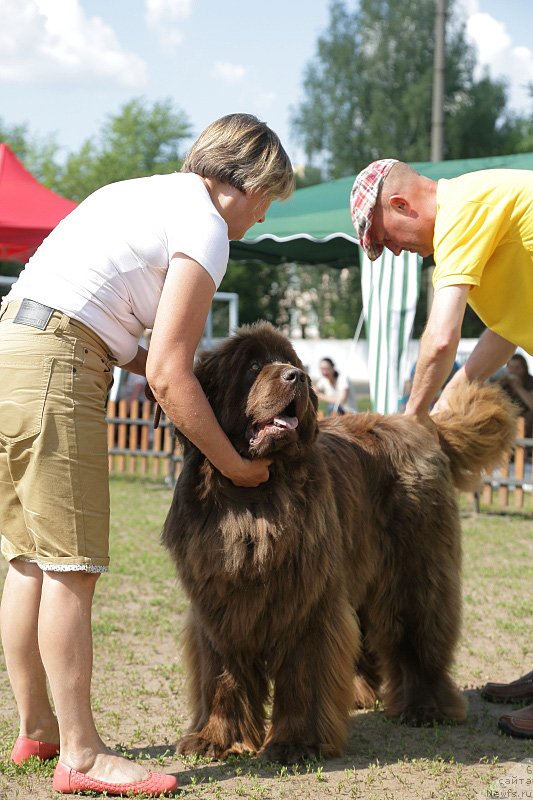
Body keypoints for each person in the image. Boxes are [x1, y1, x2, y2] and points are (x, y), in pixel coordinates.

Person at [0, 113, 293, 796]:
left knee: (27, 559)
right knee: (72, 565)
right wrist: (230, 462)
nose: (257, 219)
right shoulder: (207, 227)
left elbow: (126, 338)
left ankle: (38, 726)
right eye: (267, 200)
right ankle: (81, 754)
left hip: (13, 344)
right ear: (246, 184)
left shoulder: (134, 193)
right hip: (57, 364)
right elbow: (166, 372)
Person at [350, 157, 533, 739]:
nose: (394, 252)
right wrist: (442, 406)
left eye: (385, 238)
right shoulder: (484, 218)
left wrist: (404, 426)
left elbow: (440, 340)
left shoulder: (464, 211)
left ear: (401, 205)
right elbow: (505, 329)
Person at [496, 353, 533, 438]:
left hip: (526, 420)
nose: (513, 371)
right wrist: (498, 385)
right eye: (510, 367)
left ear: (524, 369)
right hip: (508, 418)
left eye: (517, 368)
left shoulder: (530, 381)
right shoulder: (504, 381)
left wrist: (519, 388)